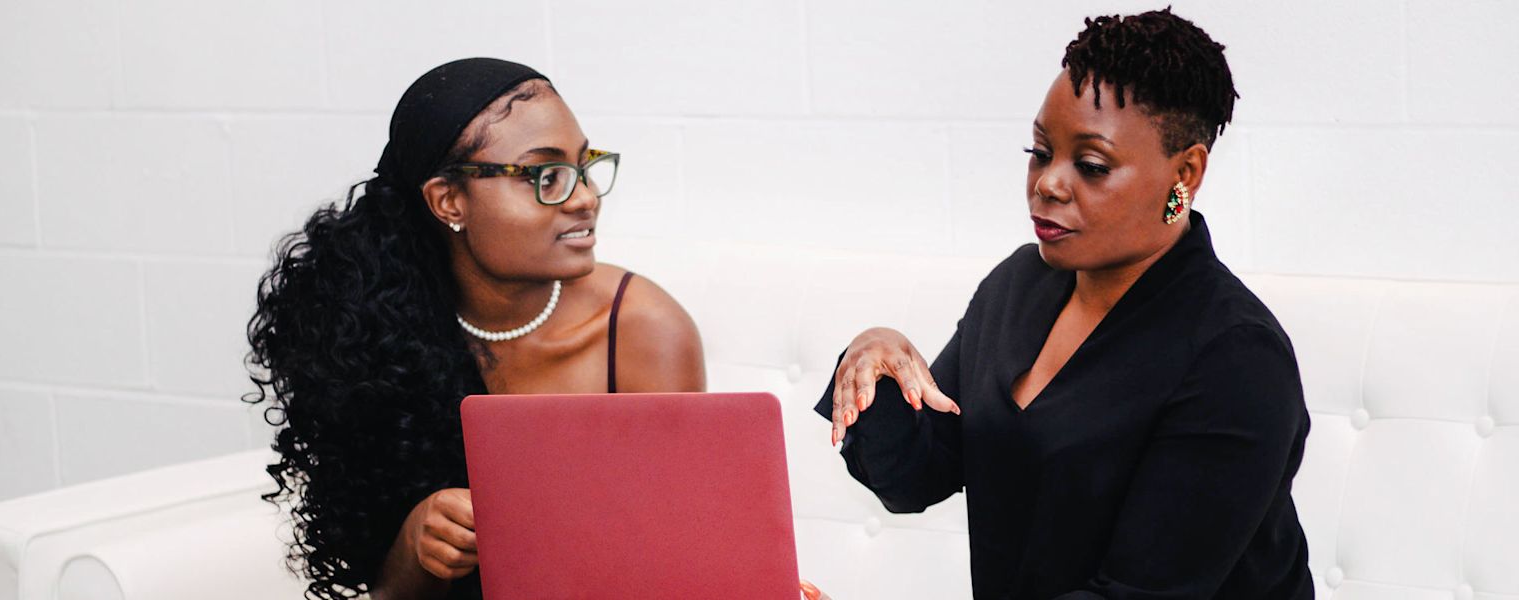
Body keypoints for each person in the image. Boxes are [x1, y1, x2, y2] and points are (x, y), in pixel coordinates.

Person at [818, 9, 1313, 598]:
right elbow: (918, 475)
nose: (1048, 183)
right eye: (1040, 151)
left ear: (1185, 173)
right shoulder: (1020, 285)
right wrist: (874, 357)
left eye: (1091, 165)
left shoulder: (1235, 358)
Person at [246, 58, 704, 600]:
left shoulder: (643, 331)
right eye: (545, 176)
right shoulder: (383, 338)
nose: (585, 198)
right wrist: (420, 536)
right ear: (448, 201)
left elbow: (681, 558)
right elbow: (388, 595)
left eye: (585, 167)